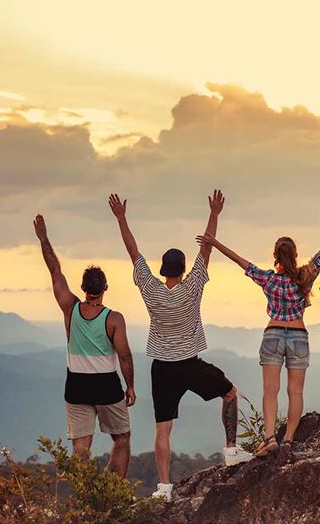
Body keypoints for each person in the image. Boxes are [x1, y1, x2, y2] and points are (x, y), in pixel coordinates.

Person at [108, 191, 251, 503]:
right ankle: (231, 450)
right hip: (190, 363)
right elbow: (206, 248)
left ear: (163, 270)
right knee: (230, 393)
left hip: (162, 368)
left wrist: (121, 218)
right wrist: (214, 213)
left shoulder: (150, 289)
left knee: (163, 429)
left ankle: (164, 488)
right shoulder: (193, 286)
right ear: (184, 270)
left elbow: (133, 251)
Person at [198, 200, 320, 456]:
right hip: (298, 336)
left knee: (270, 391)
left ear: (275, 257)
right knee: (295, 391)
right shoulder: (305, 276)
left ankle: (270, 437)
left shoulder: (268, 279)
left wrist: (215, 243)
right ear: (294, 255)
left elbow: (241, 261)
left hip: (273, 334)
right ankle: (289, 439)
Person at [32, 214, 134, 478]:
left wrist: (43, 238)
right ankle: (113, 491)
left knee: (80, 448)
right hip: (106, 385)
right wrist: (130, 386)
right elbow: (124, 356)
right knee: (122, 439)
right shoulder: (113, 319)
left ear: (82, 287)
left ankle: (87, 496)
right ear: (105, 287)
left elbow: (55, 272)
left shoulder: (70, 308)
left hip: (76, 385)